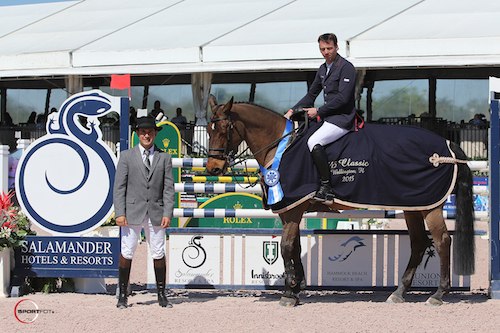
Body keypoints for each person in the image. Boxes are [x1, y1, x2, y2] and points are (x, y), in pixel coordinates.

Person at [285, 33, 357, 202]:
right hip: (327, 118)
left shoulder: (346, 67)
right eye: (322, 49)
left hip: (342, 119)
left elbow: (343, 98)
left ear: (337, 47)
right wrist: (292, 110)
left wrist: (319, 111)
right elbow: (311, 95)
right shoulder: (323, 69)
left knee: (313, 142)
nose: (326, 52)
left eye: (329, 48)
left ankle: (326, 187)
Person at [113, 116, 175, 309]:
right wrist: (119, 212)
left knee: (158, 251)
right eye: (143, 132)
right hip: (132, 210)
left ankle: (162, 294)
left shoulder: (164, 158)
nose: (146, 135)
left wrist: (168, 212)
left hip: (156, 211)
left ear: (155, 134)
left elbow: (168, 188)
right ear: (138, 134)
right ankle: (122, 294)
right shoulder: (126, 156)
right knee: (127, 250)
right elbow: (119, 187)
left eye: (150, 132)